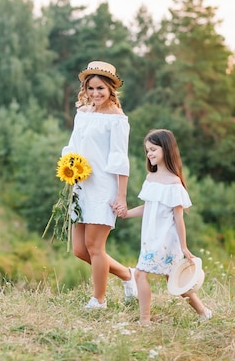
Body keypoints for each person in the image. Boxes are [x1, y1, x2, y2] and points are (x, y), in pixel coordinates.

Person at [61, 60, 138, 309]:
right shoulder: (82, 113)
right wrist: (68, 170)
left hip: (104, 186)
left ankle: (99, 300)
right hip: (80, 185)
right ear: (85, 88)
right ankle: (128, 274)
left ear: (111, 90)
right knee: (79, 250)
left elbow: (119, 159)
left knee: (95, 247)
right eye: (91, 88)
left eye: (101, 89)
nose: (96, 94)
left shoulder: (117, 119)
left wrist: (122, 197)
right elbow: (73, 145)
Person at [120, 129, 212, 324]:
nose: (149, 154)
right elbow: (148, 207)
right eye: (147, 150)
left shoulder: (174, 183)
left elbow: (179, 219)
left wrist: (184, 247)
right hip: (150, 237)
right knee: (173, 279)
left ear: (166, 149)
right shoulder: (150, 179)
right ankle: (204, 312)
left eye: (153, 149)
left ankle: (144, 320)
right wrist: (127, 214)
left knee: (140, 273)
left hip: (166, 239)